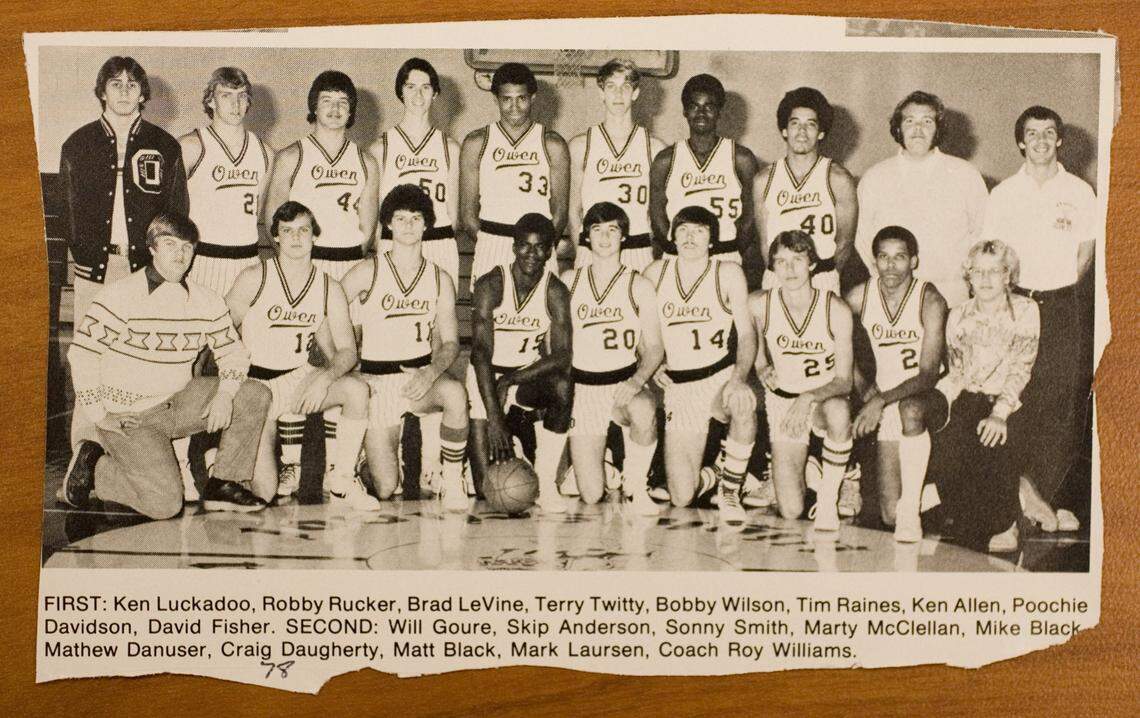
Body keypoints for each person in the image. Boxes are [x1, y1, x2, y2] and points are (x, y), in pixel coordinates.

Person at [62, 212, 270, 518]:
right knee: (165, 504)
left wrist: (225, 395)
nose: (180, 253)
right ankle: (96, 467)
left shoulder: (206, 300)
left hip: (177, 402)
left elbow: (234, 354)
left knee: (253, 394)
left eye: (187, 246)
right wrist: (99, 415)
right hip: (131, 416)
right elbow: (82, 354)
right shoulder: (120, 295)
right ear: (152, 247)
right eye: (170, 244)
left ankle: (223, 483)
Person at [59, 56, 188, 478]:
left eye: (133, 84)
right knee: (88, 358)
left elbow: (176, 214)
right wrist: (79, 258)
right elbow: (66, 211)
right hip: (95, 270)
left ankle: (138, 455)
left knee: (139, 362)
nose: (124, 91)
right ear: (101, 91)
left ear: (143, 94)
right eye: (115, 83)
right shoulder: (77, 145)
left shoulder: (164, 146)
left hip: (142, 271)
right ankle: (85, 452)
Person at [982, 105, 1096, 534]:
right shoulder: (1004, 194)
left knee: (1062, 403)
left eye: (1050, 133)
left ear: (1060, 140)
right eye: (1033, 133)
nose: (1042, 141)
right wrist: (1018, 300)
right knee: (1016, 399)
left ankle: (1041, 494)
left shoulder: (1080, 192)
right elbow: (994, 254)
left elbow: (1085, 254)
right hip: (1017, 305)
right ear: (1020, 142)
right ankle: (1016, 500)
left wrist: (1058, 289)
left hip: (1063, 305)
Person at [265, 70, 380, 484]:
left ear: (351, 112)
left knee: (347, 362)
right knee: (298, 361)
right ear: (313, 106)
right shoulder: (292, 155)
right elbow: (272, 221)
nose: (334, 109)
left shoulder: (365, 160)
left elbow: (369, 227)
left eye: (343, 102)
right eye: (327, 100)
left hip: (348, 265)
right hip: (305, 267)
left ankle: (341, 463)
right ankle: (292, 464)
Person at [225, 201, 373, 509]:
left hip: (297, 379)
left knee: (356, 389)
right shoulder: (254, 276)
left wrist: (325, 376)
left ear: (314, 236)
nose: (296, 238)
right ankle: (221, 458)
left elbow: (347, 351)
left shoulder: (328, 287)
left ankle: (342, 478)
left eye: (303, 230)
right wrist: (233, 380)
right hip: (257, 387)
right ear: (275, 237)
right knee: (264, 493)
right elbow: (220, 333)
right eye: (287, 231)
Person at [340, 185, 470, 512]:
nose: (409, 225)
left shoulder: (439, 278)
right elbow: (327, 310)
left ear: (427, 224)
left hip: (418, 378)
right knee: (386, 489)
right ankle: (360, 457)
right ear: (388, 224)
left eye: (416, 218)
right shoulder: (368, 270)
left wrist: (431, 372)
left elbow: (451, 342)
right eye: (401, 218)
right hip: (377, 381)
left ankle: (451, 478)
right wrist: (349, 368)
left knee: (455, 394)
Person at [645, 206, 757, 524]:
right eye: (682, 230)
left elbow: (747, 336)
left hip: (718, 376)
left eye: (699, 230)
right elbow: (641, 328)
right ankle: (717, 472)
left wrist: (738, 378)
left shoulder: (728, 272)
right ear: (671, 236)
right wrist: (651, 364)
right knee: (682, 497)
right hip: (679, 385)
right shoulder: (655, 274)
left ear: (712, 239)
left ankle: (731, 490)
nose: (690, 237)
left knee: (741, 402)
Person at [929, 240, 1039, 553]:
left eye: (994, 271)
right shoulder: (958, 315)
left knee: (997, 443)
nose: (986, 279)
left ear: (1008, 275)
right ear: (969, 276)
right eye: (978, 272)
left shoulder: (1026, 310)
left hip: (1012, 401)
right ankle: (948, 502)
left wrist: (1000, 413)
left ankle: (1009, 521)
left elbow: (1022, 367)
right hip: (971, 397)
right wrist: (937, 402)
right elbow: (957, 371)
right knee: (965, 523)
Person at [561, 202, 665, 514]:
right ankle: (604, 466)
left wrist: (636, 382)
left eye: (613, 230)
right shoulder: (569, 281)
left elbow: (655, 348)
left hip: (622, 385)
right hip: (582, 389)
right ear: (586, 237)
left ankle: (636, 485)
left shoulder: (639, 284)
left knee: (644, 408)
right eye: (597, 230)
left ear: (624, 237)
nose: (605, 237)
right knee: (590, 495)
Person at [846, 226, 948, 542]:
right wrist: (865, 390)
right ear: (874, 260)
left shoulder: (930, 299)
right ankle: (943, 493)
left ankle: (912, 513)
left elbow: (929, 373)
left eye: (900, 257)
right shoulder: (859, 296)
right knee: (887, 514)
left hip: (928, 394)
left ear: (914, 261)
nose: (891, 266)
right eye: (883, 257)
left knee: (910, 408)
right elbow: (837, 345)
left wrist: (879, 401)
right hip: (886, 397)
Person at [751, 230, 855, 532]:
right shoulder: (759, 304)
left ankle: (829, 497)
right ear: (772, 267)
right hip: (783, 400)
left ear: (812, 264)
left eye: (797, 260)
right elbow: (751, 343)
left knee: (839, 412)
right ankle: (813, 467)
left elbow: (844, 381)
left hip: (822, 398)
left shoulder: (835, 309)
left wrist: (808, 397)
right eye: (781, 262)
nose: (790, 269)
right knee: (791, 510)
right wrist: (760, 366)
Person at [468, 213, 573, 513]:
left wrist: (513, 379)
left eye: (540, 247)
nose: (532, 254)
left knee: (563, 385)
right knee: (485, 487)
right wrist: (494, 418)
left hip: (525, 376)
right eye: (525, 246)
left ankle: (546, 481)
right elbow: (480, 353)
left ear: (550, 251)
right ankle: (510, 425)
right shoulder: (490, 284)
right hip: (485, 375)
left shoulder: (555, 291)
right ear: (513, 247)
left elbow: (564, 356)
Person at [855, 90, 988, 307]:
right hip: (893, 300)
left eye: (927, 121)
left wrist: (967, 280)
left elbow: (982, 232)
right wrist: (885, 282)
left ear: (938, 129)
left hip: (953, 298)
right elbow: (862, 238)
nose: (918, 129)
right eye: (910, 121)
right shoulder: (875, 177)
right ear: (898, 128)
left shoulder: (965, 174)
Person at [459, 63, 569, 288]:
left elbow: (559, 214)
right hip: (492, 243)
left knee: (539, 319)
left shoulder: (552, 144)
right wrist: (489, 243)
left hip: (536, 248)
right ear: (496, 99)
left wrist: (538, 248)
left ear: (533, 97)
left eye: (521, 98)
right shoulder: (476, 142)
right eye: (506, 99)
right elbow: (468, 215)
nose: (514, 107)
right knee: (487, 319)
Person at [649, 74, 762, 275]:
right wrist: (679, 249)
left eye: (709, 106)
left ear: (719, 111)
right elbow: (658, 217)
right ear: (685, 111)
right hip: (680, 256)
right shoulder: (665, 160)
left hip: (726, 255)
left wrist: (731, 248)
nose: (701, 113)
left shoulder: (741, 158)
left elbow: (751, 217)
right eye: (694, 106)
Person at [181, 67, 273, 298]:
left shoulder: (266, 154)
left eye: (242, 96)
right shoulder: (191, 147)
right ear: (210, 101)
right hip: (201, 261)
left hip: (248, 261)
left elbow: (258, 213)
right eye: (226, 96)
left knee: (244, 334)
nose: (235, 104)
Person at [757, 87, 858, 295]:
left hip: (821, 277)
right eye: (795, 123)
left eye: (810, 125)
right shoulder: (764, 180)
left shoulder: (838, 178)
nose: (802, 132)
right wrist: (786, 273)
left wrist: (823, 273)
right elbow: (765, 243)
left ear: (821, 132)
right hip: (778, 279)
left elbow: (845, 243)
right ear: (784, 130)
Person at [569, 59, 665, 272]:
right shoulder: (581, 145)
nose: (618, 94)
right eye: (611, 87)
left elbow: (661, 212)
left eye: (626, 87)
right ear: (601, 93)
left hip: (639, 249)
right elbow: (573, 210)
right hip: (593, 249)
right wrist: (582, 251)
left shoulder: (655, 148)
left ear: (636, 93)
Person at [376, 58, 461, 286]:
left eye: (425, 88)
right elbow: (376, 215)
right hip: (393, 243)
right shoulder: (381, 147)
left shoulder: (450, 148)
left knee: (439, 316)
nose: (418, 95)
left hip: (439, 242)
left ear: (435, 94)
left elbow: (454, 215)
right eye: (410, 87)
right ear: (400, 92)